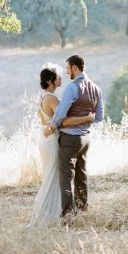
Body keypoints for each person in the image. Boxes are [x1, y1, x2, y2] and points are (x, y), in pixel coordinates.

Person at [30, 63, 95, 227]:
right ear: (51, 81)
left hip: (46, 138)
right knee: (52, 177)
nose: (61, 78)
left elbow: (47, 119)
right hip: (52, 141)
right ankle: (45, 217)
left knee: (50, 177)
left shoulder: (44, 97)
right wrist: (86, 118)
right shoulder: (51, 98)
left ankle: (52, 213)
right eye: (58, 77)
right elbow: (64, 120)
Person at [44, 54, 104, 220]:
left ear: (75, 68)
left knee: (66, 178)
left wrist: (54, 125)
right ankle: (82, 211)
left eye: (68, 68)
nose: (66, 71)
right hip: (86, 138)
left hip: (70, 139)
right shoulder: (96, 89)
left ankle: (68, 218)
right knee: (81, 175)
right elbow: (98, 117)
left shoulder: (72, 87)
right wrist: (85, 120)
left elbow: (60, 112)